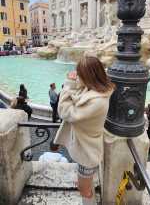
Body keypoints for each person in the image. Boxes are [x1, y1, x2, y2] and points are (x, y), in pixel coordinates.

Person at [54, 56, 114, 205]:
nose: (77, 75)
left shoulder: (96, 101)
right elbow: (79, 95)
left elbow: (65, 112)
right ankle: (84, 185)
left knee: (85, 191)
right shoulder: (97, 90)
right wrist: (74, 83)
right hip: (86, 148)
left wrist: (68, 84)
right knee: (86, 185)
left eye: (80, 73)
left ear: (89, 75)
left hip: (87, 152)